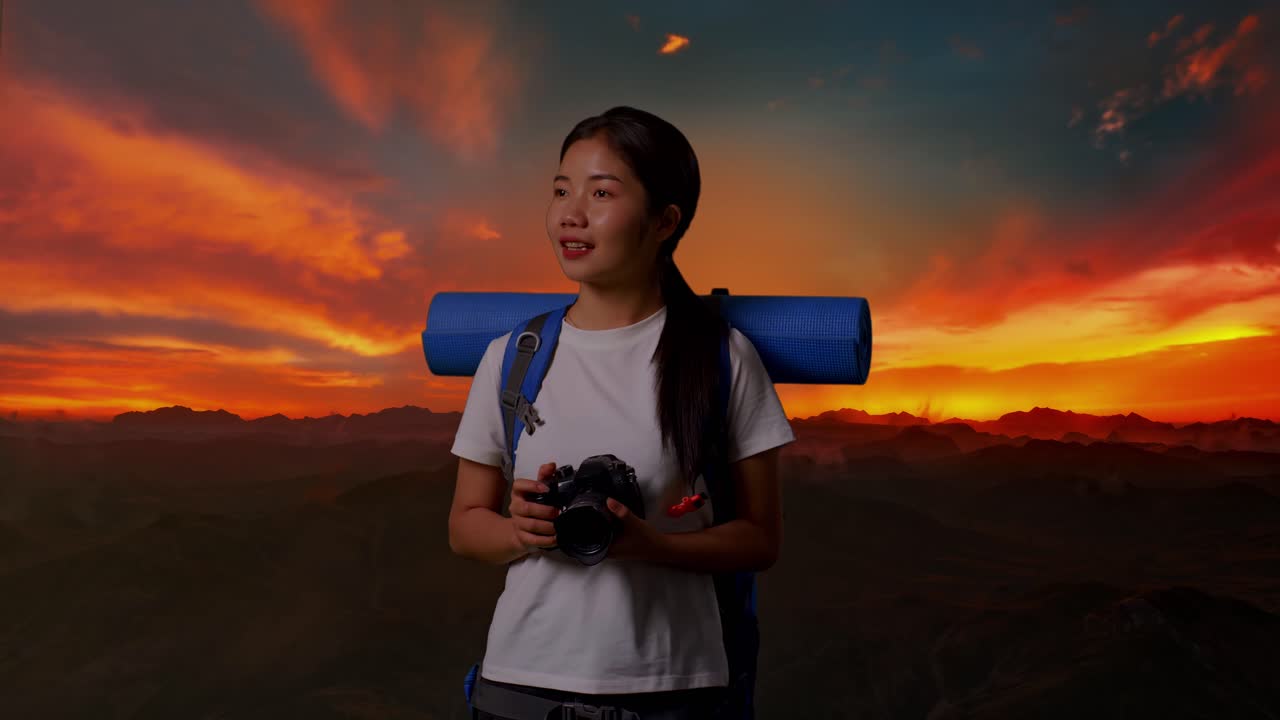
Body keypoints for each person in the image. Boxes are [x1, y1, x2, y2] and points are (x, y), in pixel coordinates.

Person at [447, 106, 796, 719]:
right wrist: (517, 532)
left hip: (674, 691)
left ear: (665, 221)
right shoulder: (514, 358)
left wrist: (651, 545)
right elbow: (464, 524)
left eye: (601, 192)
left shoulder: (720, 358)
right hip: (520, 686)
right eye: (561, 190)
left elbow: (760, 539)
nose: (570, 213)